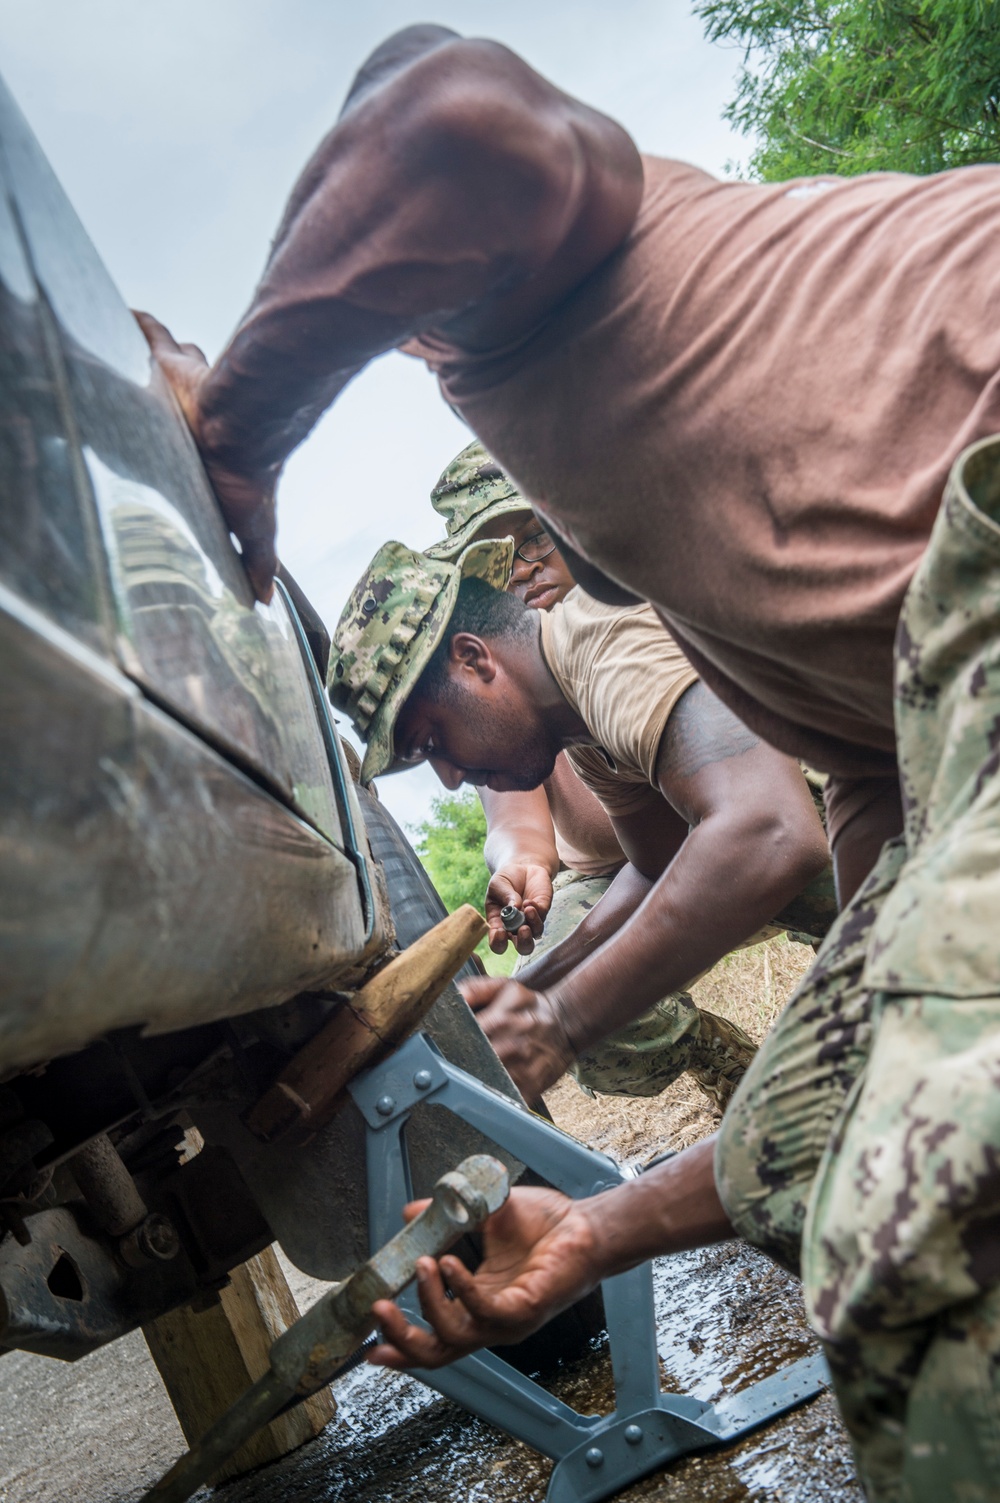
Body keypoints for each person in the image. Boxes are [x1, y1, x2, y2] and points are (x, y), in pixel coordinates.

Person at [137, 24, 1000, 1496]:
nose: (455, 777)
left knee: (904, 1244)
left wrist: (236, 431)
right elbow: (853, 851)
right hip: (940, 719)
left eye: (429, 739)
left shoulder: (528, 311)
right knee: (830, 1130)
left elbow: (440, 111)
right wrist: (599, 1223)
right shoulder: (680, 546)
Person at [328, 537, 829, 1109]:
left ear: (474, 659)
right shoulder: (574, 720)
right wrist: (534, 984)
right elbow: (656, 864)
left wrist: (562, 1019)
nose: (447, 777)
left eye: (433, 741)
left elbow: (773, 832)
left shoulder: (607, 642)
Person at [425, 439, 835, 1108]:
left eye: (533, 537)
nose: (522, 575)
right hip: (640, 870)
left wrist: (559, 1016)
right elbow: (537, 832)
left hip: (770, 815)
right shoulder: (532, 693)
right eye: (500, 567)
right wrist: (535, 971)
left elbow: (770, 829)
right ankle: (723, 1058)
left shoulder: (611, 622)